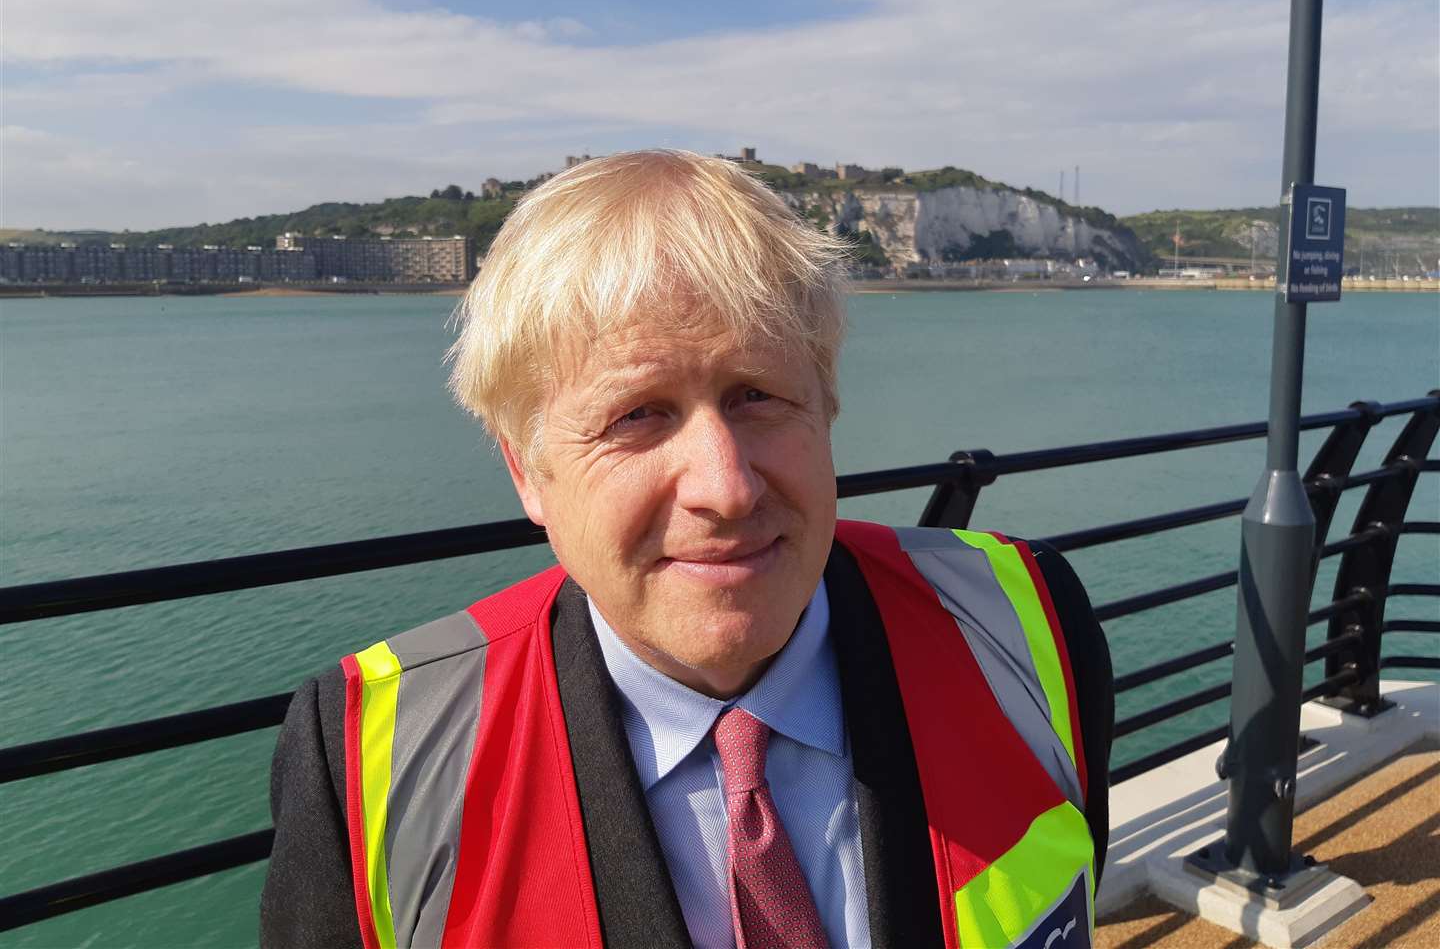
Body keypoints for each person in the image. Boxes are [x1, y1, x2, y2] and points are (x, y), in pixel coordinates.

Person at [260, 150, 1113, 949]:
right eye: (637, 415)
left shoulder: (1026, 622)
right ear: (529, 471)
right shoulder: (373, 758)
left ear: (827, 410)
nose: (727, 486)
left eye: (758, 395)